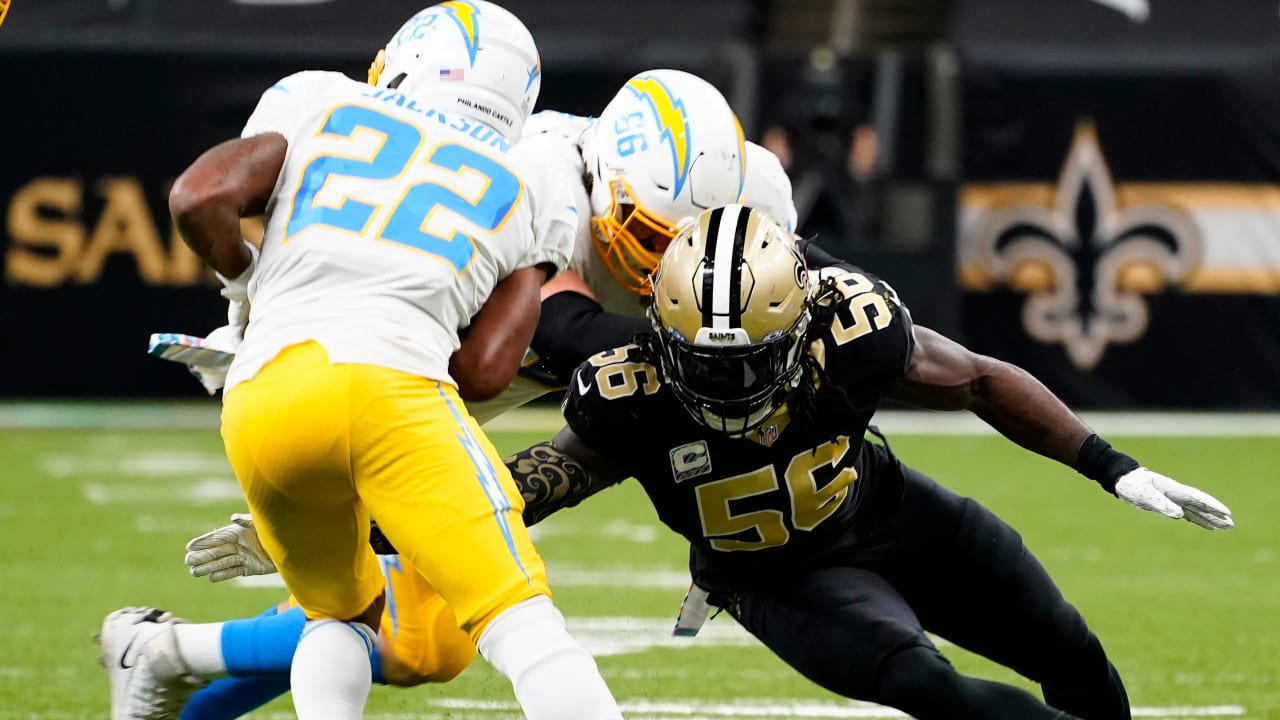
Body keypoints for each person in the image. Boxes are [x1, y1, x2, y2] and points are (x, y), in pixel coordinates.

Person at [186, 205, 1234, 719]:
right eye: (701, 362)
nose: (725, 387)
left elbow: (981, 380)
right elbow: (524, 486)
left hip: (892, 515)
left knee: (1071, 652)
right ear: (657, 330)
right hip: (776, 579)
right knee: (932, 690)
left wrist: (1111, 466)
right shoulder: (626, 386)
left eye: (747, 364)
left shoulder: (853, 324)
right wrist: (354, 527)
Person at [120, 69, 801, 720]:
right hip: (394, 393)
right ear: (611, 185)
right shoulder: (548, 178)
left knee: (406, 636)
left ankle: (163, 655)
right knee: (467, 628)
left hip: (367, 403)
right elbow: (571, 336)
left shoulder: (721, 193)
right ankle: (164, 653)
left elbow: (799, 282)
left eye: (685, 247)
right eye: (652, 237)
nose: (661, 265)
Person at [94, 3, 625, 720]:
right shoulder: (535, 176)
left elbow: (199, 197)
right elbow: (483, 373)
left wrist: (246, 277)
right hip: (393, 391)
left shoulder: (322, 97)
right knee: (522, 624)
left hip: (260, 399)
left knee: (339, 619)